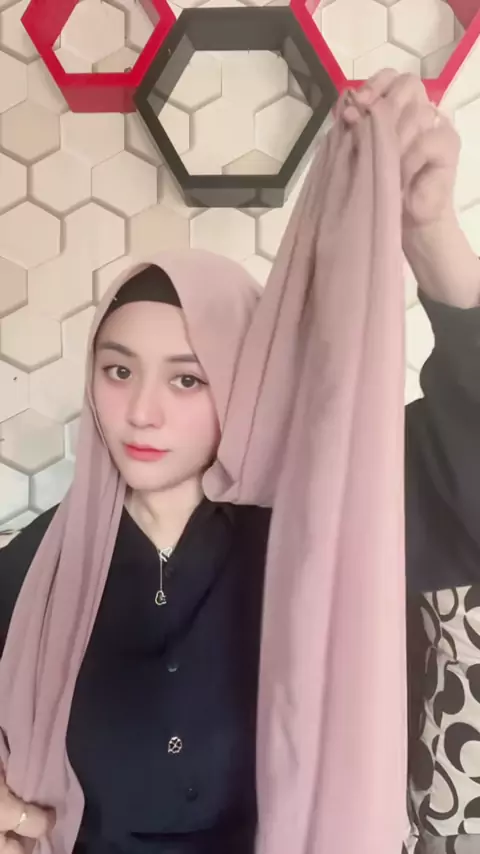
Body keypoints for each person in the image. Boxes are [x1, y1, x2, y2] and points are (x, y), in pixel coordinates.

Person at [0, 68, 479, 854]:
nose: (141, 410)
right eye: (117, 370)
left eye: (187, 379)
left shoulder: (327, 527)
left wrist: (432, 238)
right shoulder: (38, 569)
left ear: (240, 378)